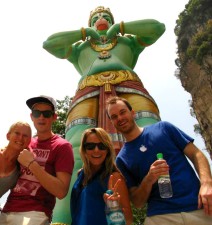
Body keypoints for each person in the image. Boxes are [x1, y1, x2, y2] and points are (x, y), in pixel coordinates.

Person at [43, 6, 165, 224]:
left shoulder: (128, 41)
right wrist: (84, 33)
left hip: (130, 88)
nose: (101, 19)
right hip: (87, 92)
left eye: (106, 17)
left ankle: (168, 212)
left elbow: (157, 28)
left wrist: (120, 27)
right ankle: (61, 219)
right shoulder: (80, 48)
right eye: (96, 17)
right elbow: (49, 44)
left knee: (154, 142)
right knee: (76, 150)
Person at [106, 96, 212, 225]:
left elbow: (196, 154)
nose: (120, 118)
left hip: (199, 207)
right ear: (112, 122)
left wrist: (206, 183)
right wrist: (149, 179)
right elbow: (138, 202)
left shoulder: (164, 128)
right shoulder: (122, 159)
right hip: (160, 216)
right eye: (114, 116)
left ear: (132, 113)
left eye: (123, 112)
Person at [0, 95, 74, 225]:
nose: (41, 117)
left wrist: (32, 164)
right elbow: (3, 158)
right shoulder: (25, 142)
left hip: (36, 213)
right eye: (37, 113)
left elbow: (61, 191)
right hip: (8, 210)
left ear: (54, 117)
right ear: (32, 116)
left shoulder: (62, 146)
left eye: (47, 113)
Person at [70, 127, 133, 225]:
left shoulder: (114, 177)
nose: (96, 150)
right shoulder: (80, 174)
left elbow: (128, 220)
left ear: (107, 149)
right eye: (90, 146)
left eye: (101, 146)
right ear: (84, 149)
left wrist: (114, 206)